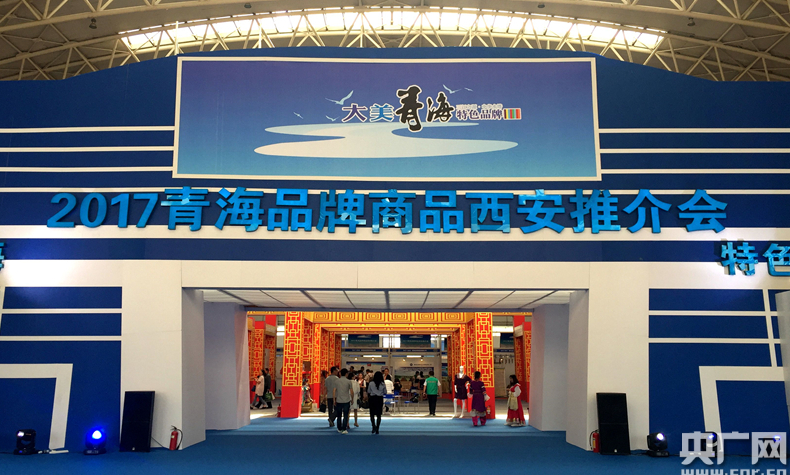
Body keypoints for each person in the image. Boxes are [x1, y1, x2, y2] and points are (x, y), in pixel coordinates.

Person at [334, 368, 354, 434]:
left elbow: (334, 391)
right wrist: (352, 399)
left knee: (339, 415)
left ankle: (339, 428)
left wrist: (334, 400)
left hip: (339, 400)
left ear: (340, 373)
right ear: (346, 374)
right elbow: (351, 392)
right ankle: (344, 428)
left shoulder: (337, 381)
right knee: (345, 415)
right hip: (346, 400)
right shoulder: (348, 381)